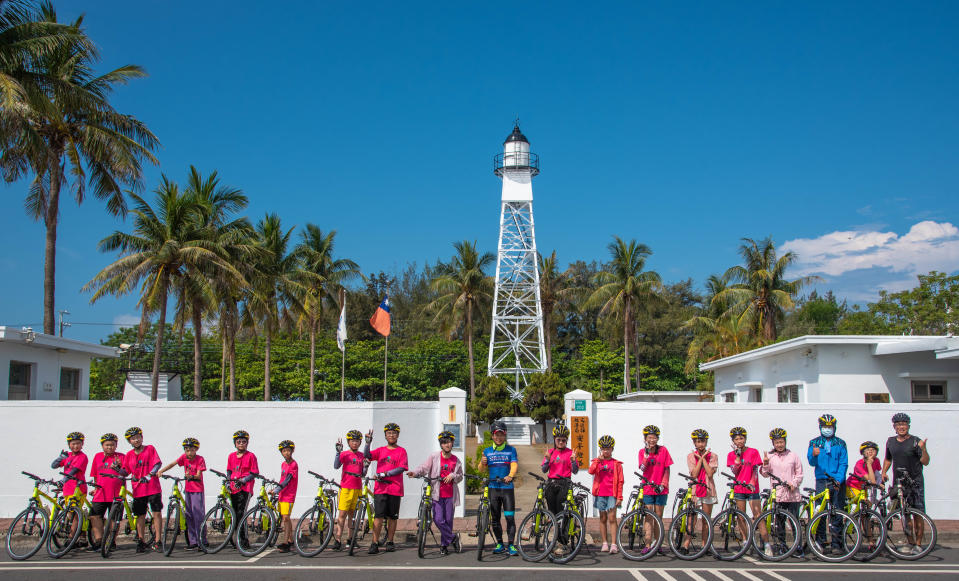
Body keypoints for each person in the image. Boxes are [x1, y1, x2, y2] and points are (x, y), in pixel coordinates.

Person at [406, 430, 464, 555]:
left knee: (448, 521)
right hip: (437, 494)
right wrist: (415, 473)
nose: (447, 445)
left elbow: (460, 476)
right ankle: (453, 538)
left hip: (450, 495)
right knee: (438, 519)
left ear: (452, 443)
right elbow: (424, 467)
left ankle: (444, 545)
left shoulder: (456, 460)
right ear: (441, 445)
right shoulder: (434, 456)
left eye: (449, 442)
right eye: (444, 443)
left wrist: (453, 475)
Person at [881, 412, 930, 555]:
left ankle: (919, 545)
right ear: (894, 427)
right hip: (899, 483)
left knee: (918, 514)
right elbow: (888, 459)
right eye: (898, 425)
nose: (901, 427)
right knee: (905, 514)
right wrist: (884, 472)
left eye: (904, 424)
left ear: (908, 426)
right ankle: (910, 542)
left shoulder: (916, 441)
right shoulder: (890, 441)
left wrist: (924, 449)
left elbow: (925, 462)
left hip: (915, 482)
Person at [806, 413, 848, 554]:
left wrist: (839, 479)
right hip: (821, 480)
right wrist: (814, 454)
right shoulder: (814, 442)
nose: (827, 429)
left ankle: (837, 543)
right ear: (820, 427)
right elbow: (811, 462)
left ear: (834, 427)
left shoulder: (841, 443)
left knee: (837, 512)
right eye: (825, 426)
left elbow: (844, 463)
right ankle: (821, 541)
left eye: (830, 426)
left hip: (837, 480)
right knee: (821, 511)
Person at [364, 422, 408, 554]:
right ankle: (374, 542)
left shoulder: (402, 451)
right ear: (385, 435)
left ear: (398, 435)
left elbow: (401, 468)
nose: (392, 435)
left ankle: (390, 541)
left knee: (392, 518)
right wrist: (367, 443)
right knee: (378, 517)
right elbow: (367, 456)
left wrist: (386, 474)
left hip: (395, 488)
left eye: (394, 433)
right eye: (389, 433)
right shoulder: (381, 450)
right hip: (381, 489)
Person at [760, 428, 803, 557]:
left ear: (785, 442)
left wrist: (794, 483)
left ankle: (798, 547)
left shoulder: (793, 455)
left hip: (792, 495)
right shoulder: (770, 456)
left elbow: (799, 474)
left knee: (794, 522)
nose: (779, 444)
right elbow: (764, 474)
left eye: (781, 442)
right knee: (779, 523)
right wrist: (766, 464)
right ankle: (783, 546)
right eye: (777, 442)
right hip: (778, 495)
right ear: (773, 443)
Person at [118, 426, 163, 552]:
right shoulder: (129, 455)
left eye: (138, 437)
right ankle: (141, 540)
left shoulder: (150, 449)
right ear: (129, 441)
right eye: (133, 439)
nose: (136, 440)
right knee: (140, 515)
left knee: (157, 513)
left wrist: (149, 475)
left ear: (142, 438)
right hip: (138, 489)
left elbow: (157, 463)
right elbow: (125, 471)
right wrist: (117, 469)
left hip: (152, 486)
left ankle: (158, 540)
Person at [158, 437, 206, 550]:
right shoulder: (184, 457)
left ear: (196, 449)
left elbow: (199, 475)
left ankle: (202, 541)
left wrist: (191, 476)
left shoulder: (200, 459)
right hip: (188, 490)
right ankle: (193, 541)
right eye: (187, 450)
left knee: (198, 516)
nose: (189, 452)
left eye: (192, 450)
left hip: (197, 490)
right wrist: (161, 471)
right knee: (189, 516)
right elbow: (172, 464)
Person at [481, 420, 519, 556]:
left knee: (509, 518)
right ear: (492, 435)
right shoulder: (487, 451)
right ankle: (499, 543)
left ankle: (511, 545)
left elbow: (514, 464)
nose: (498, 437)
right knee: (495, 519)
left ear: (505, 435)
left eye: (501, 435)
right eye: (496, 435)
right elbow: (481, 469)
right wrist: (482, 462)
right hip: (493, 488)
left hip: (507, 488)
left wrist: (510, 475)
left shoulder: (511, 450)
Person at [542, 423, 579, 553]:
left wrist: (574, 461)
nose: (561, 442)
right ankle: (555, 540)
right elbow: (544, 469)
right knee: (552, 514)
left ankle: (562, 543)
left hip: (565, 484)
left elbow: (575, 471)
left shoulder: (570, 453)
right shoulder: (550, 452)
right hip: (551, 484)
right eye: (559, 440)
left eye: (564, 440)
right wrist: (547, 460)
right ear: (555, 440)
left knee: (562, 514)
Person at [52, 432, 88, 546]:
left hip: (78, 489)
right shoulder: (68, 456)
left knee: (75, 514)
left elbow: (74, 471)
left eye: (78, 444)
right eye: (73, 444)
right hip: (67, 489)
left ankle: (72, 538)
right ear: (69, 444)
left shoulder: (82, 457)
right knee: (70, 514)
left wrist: (63, 480)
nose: (75, 446)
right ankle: (82, 536)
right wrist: (60, 458)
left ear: (82, 444)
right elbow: (53, 466)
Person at [588, 434, 623, 554]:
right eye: (603, 449)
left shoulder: (616, 464)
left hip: (612, 494)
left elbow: (620, 481)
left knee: (612, 518)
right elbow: (591, 471)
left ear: (612, 449)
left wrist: (619, 497)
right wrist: (598, 460)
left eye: (608, 449)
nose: (606, 451)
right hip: (600, 494)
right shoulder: (597, 461)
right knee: (602, 518)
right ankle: (604, 543)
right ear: (600, 449)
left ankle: (614, 544)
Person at [88, 433, 123, 551]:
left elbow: (126, 472)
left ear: (116, 445)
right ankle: (99, 540)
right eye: (107, 445)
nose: (110, 447)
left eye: (112, 445)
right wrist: (95, 488)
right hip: (100, 493)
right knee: (94, 516)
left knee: (113, 519)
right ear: (102, 446)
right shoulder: (97, 456)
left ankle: (112, 541)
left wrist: (119, 467)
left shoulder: (121, 457)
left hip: (116, 493)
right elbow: (95, 474)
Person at [728, 426, 762, 545]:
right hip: (739, 489)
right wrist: (737, 457)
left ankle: (766, 543)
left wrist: (752, 482)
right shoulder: (731, 455)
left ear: (745, 439)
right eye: (736, 439)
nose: (739, 441)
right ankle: (745, 540)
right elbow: (734, 471)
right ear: (733, 441)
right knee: (741, 517)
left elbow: (755, 469)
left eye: (741, 438)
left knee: (758, 516)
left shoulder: (753, 452)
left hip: (752, 489)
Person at [332, 429, 366, 551]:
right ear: (348, 442)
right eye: (352, 441)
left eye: (357, 441)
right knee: (342, 514)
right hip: (346, 487)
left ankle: (350, 539)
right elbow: (336, 466)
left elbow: (363, 473)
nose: (355, 443)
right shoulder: (344, 454)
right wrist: (337, 452)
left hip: (357, 488)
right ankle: (338, 539)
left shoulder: (362, 456)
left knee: (352, 515)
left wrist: (366, 467)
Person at [686, 428, 717, 554]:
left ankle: (705, 545)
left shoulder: (713, 456)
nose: (700, 444)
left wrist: (704, 458)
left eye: (703, 441)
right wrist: (699, 459)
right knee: (691, 519)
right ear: (694, 443)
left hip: (708, 489)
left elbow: (710, 474)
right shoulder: (690, 456)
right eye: (698, 441)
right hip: (695, 489)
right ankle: (686, 544)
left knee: (706, 519)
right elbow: (694, 474)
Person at [226, 429, 259, 548]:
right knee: (234, 514)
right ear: (235, 443)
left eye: (243, 442)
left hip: (245, 489)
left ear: (247, 443)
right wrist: (228, 482)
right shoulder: (231, 456)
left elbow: (254, 472)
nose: (241, 444)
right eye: (238, 442)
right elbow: (229, 470)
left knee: (242, 514)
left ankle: (244, 541)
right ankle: (236, 540)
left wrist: (243, 480)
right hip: (233, 488)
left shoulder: (251, 456)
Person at [849, 441, 882, 551]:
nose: (870, 452)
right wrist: (868, 464)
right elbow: (872, 481)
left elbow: (877, 476)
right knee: (863, 509)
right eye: (867, 450)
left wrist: (881, 483)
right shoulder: (859, 464)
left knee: (866, 513)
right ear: (862, 453)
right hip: (853, 487)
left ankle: (870, 540)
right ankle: (850, 519)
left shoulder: (876, 461)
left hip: (865, 489)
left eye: (873, 450)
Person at [274, 440, 298, 553]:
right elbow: (282, 479)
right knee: (285, 519)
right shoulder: (283, 464)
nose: (286, 453)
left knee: (286, 518)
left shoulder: (293, 464)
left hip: (289, 495)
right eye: (284, 451)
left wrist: (277, 489)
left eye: (288, 450)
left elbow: (287, 480)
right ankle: (291, 541)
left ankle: (285, 543)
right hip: (282, 494)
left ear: (292, 451)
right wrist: (276, 489)